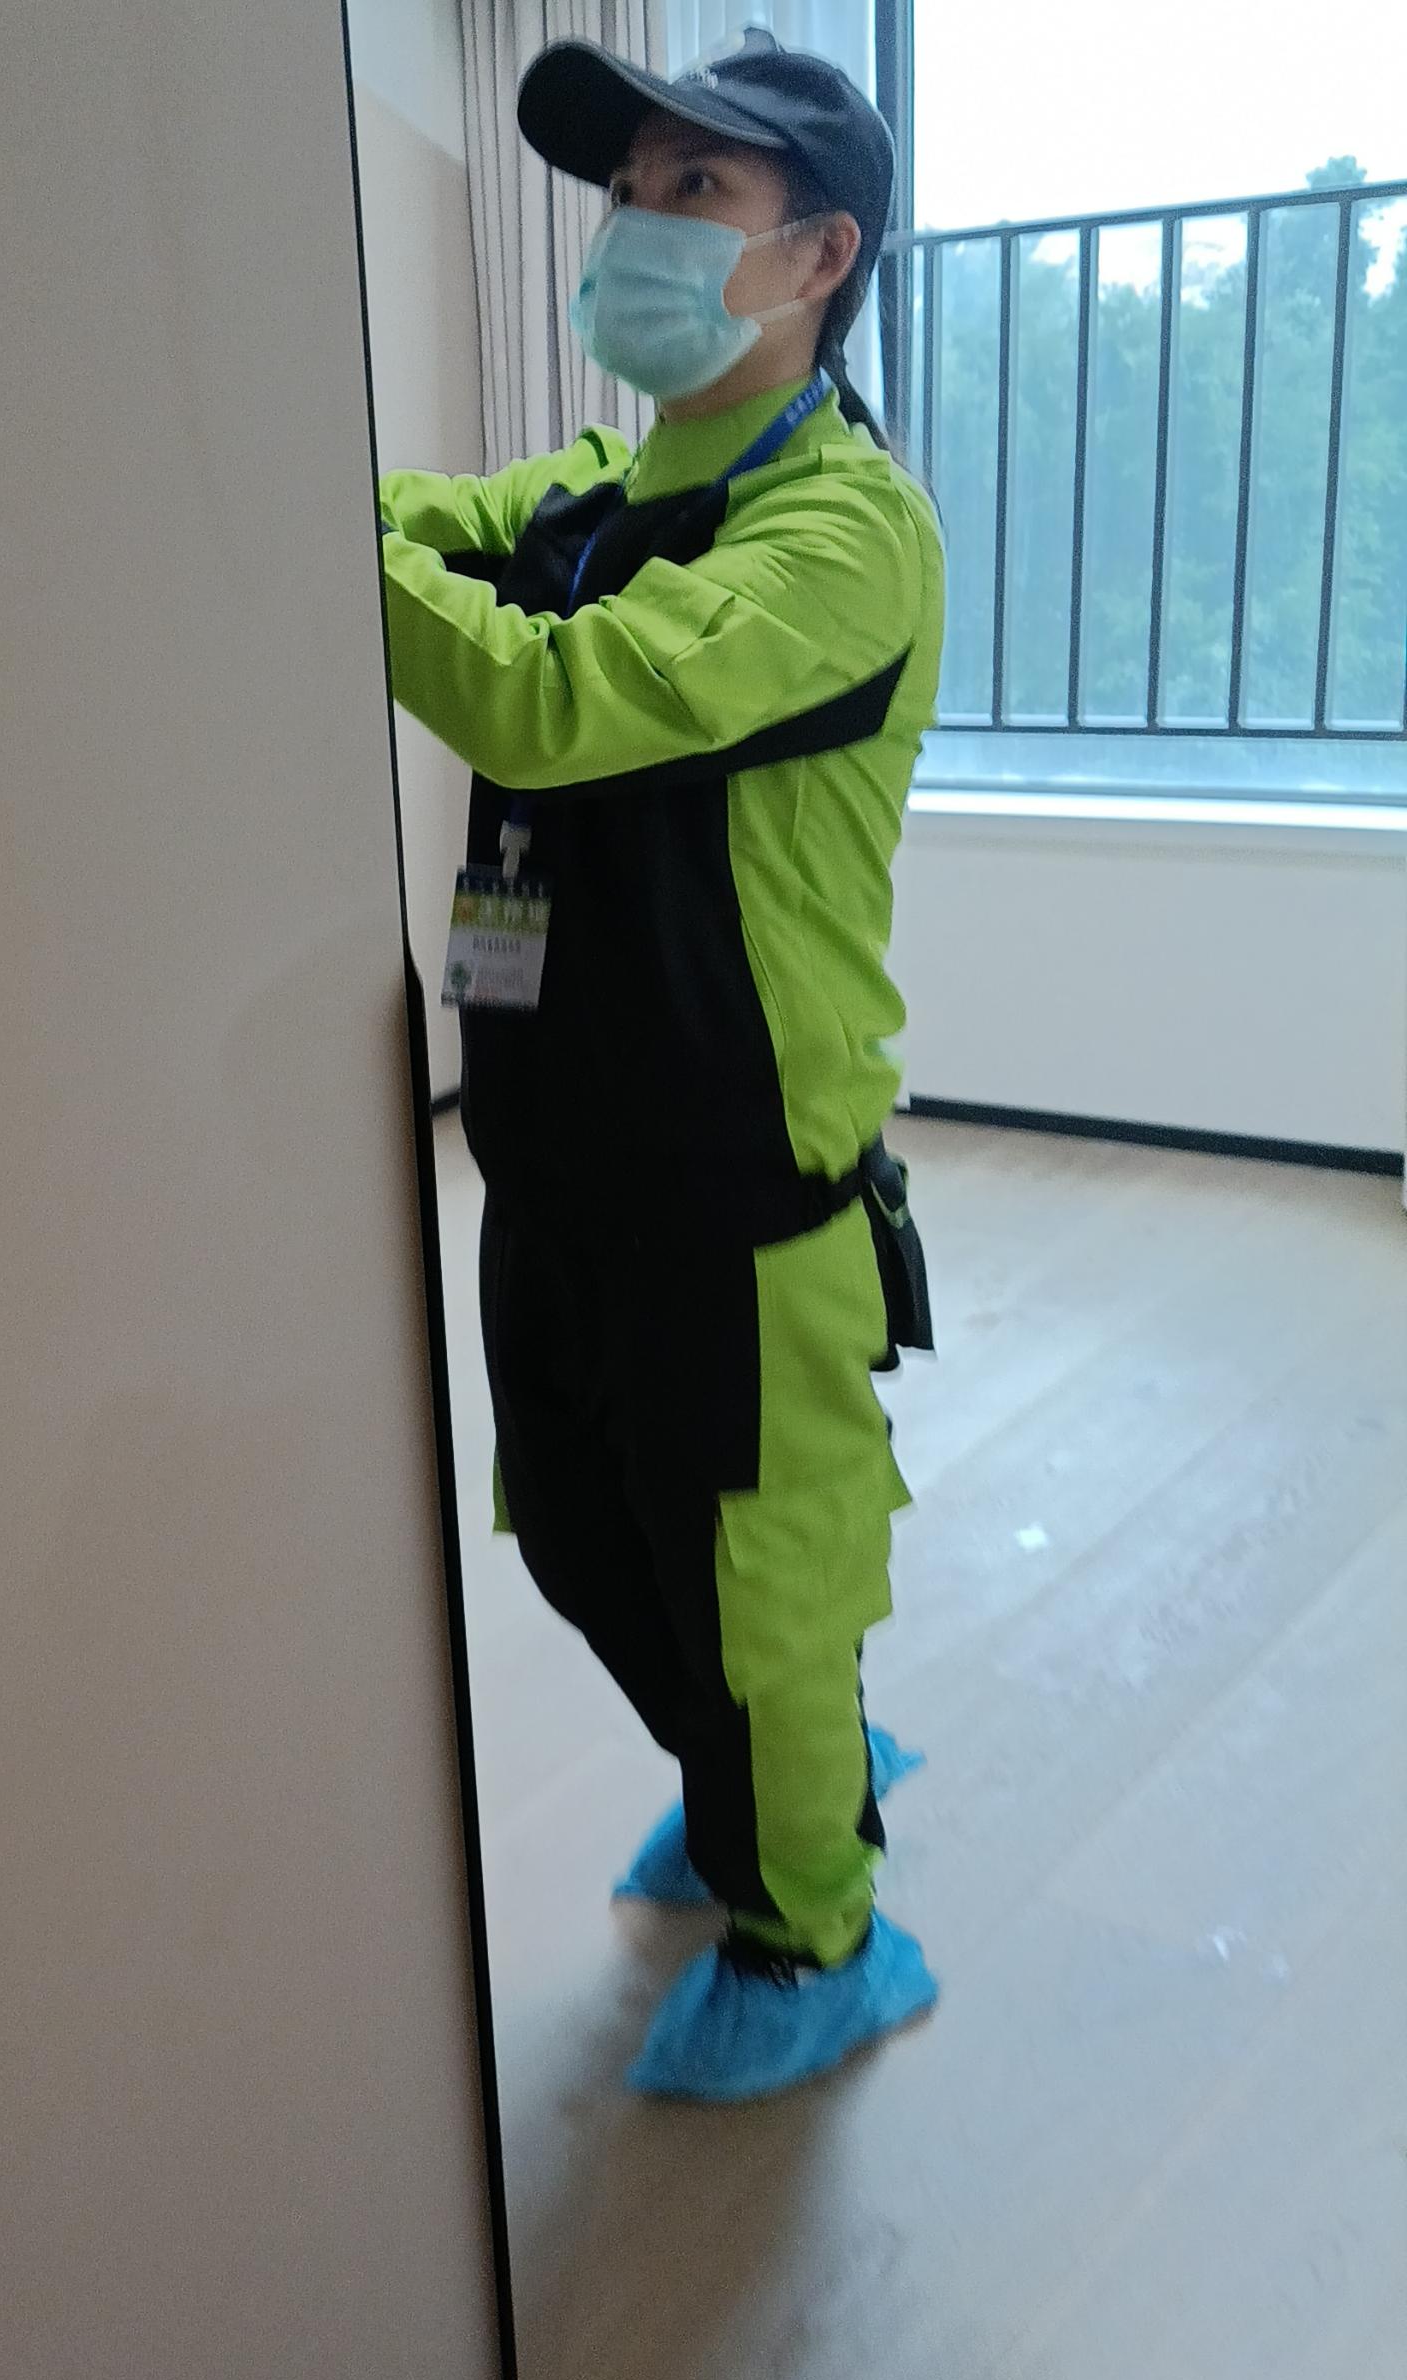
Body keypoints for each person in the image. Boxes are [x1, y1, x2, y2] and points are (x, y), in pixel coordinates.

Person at [377, 29, 945, 2104]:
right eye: (627, 189)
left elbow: (553, 699)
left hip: (736, 1190)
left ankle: (819, 1927)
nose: (633, 226)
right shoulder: (598, 498)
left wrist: (332, 571)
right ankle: (757, 1762)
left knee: (750, 1576)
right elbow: (412, 523)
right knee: (579, 1532)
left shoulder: (842, 534)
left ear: (818, 255)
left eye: (694, 190)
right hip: (555, 1157)